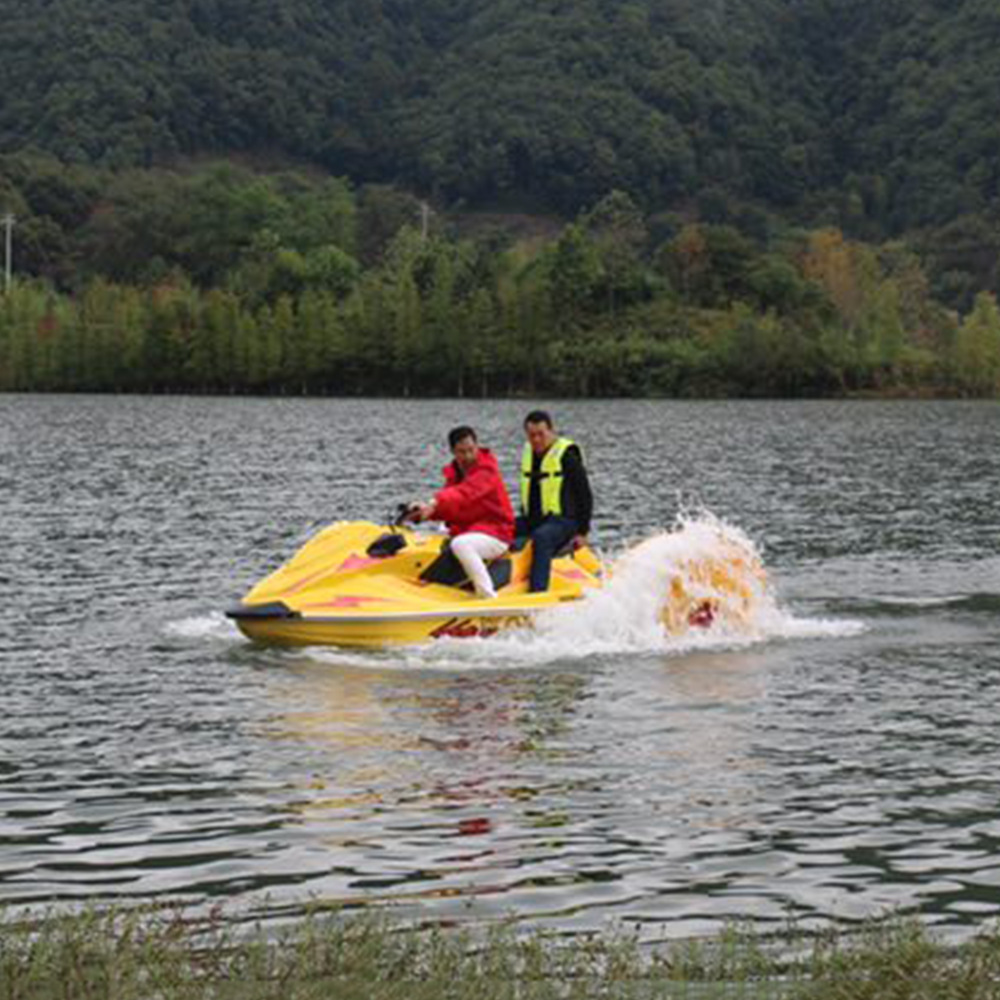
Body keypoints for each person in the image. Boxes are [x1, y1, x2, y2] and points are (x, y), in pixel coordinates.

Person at [412, 426, 515, 599]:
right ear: (453, 452)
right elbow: (452, 506)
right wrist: (424, 514)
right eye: (462, 452)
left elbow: (465, 493)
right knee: (449, 542)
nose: (468, 456)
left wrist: (434, 502)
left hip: (497, 533)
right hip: (473, 530)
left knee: (461, 544)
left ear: (477, 446)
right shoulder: (455, 474)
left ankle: (487, 597)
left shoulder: (487, 471)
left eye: (471, 450)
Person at [516, 410, 593, 592]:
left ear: (551, 431)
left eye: (541, 434)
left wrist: (583, 531)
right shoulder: (529, 453)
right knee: (500, 527)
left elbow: (585, 495)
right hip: (534, 519)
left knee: (542, 537)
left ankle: (538, 592)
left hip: (564, 521)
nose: (536, 440)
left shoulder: (567, 456)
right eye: (531, 435)